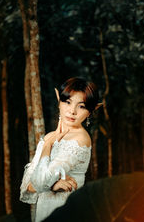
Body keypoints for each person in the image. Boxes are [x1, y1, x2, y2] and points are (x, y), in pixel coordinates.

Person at [20, 77, 101, 222]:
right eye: (68, 102)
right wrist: (53, 184)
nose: (72, 111)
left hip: (67, 213)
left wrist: (46, 147)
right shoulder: (50, 137)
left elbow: (38, 183)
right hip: (43, 215)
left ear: (91, 111)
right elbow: (27, 187)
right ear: (59, 100)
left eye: (81, 106)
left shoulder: (80, 139)